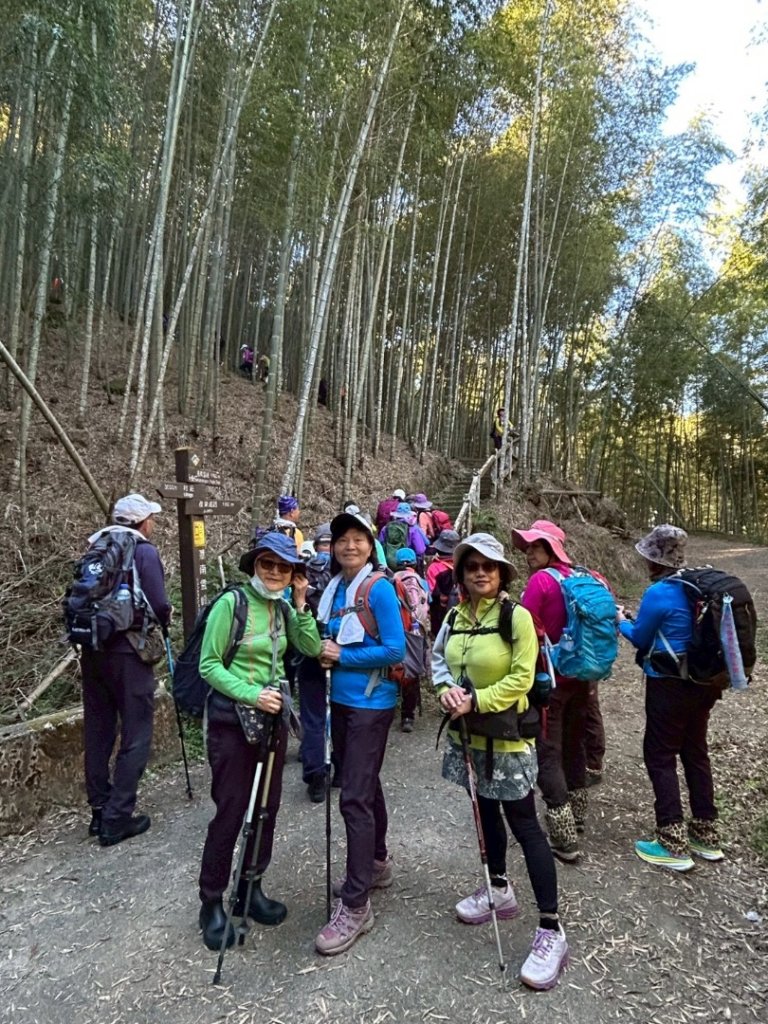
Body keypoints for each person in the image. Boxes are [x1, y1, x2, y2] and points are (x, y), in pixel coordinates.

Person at [432, 533, 568, 991]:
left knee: (525, 825)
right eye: (472, 567)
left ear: (502, 573)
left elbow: (522, 679)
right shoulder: (453, 617)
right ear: (462, 575)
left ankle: (551, 928)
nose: (480, 573)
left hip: (507, 739)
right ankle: (498, 889)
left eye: (489, 566)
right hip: (468, 735)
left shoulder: (518, 618)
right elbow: (439, 664)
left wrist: (476, 700)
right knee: (483, 809)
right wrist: (445, 691)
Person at [197, 532, 321, 950]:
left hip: (272, 722)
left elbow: (311, 646)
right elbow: (208, 665)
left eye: (283, 567)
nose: (273, 572)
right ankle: (212, 901)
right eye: (267, 564)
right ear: (255, 565)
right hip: (231, 721)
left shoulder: (284, 608)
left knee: (266, 809)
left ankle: (251, 887)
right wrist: (252, 694)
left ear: (291, 574)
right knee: (231, 811)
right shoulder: (230, 605)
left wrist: (302, 604)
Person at [314, 511, 406, 955]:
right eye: (342, 540)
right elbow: (330, 638)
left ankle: (356, 905)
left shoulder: (379, 588)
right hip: (343, 703)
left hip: (372, 704)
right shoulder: (333, 592)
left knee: (352, 797)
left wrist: (340, 656)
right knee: (365, 784)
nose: (349, 546)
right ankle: (376, 862)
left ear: (371, 547)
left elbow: (395, 649)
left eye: (358, 539)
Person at [617, 524, 723, 872]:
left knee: (660, 754)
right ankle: (705, 835)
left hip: (669, 683)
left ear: (653, 559)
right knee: (695, 751)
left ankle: (671, 841)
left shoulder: (660, 593)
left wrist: (621, 621)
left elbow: (641, 638)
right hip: (704, 683)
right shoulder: (699, 586)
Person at [511, 519, 609, 863]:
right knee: (574, 744)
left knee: (548, 752)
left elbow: (521, 628)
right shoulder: (588, 577)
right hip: (582, 677)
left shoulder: (541, 581)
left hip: (550, 680)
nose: (528, 554)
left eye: (535, 547)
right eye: (527, 548)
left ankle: (563, 835)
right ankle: (578, 812)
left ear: (551, 548)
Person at [80, 494, 172, 847]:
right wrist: (163, 621)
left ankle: (100, 810)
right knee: (137, 731)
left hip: (93, 649)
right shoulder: (143, 551)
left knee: (99, 729)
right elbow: (159, 602)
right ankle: (118, 818)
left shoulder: (97, 545)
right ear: (140, 522)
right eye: (150, 517)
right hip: (129, 652)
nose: (153, 523)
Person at [297, 523, 334, 803]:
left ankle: (316, 775)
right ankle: (340, 767)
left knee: (312, 716)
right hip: (338, 650)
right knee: (340, 711)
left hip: (308, 652)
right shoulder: (344, 574)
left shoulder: (302, 572)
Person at [393, 547, 430, 733]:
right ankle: (408, 716)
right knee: (412, 671)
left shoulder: (390, 579)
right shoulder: (421, 582)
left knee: (393, 669)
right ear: (415, 562)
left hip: (394, 630)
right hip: (415, 632)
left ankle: (389, 709)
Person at [427, 530, 461, 635]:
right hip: (461, 607)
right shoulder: (462, 565)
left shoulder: (433, 567)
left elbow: (431, 591)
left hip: (439, 610)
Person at [379, 502, 429, 570]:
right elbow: (420, 550)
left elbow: (380, 545)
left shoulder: (386, 528)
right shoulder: (413, 529)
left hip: (390, 563)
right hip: (409, 563)